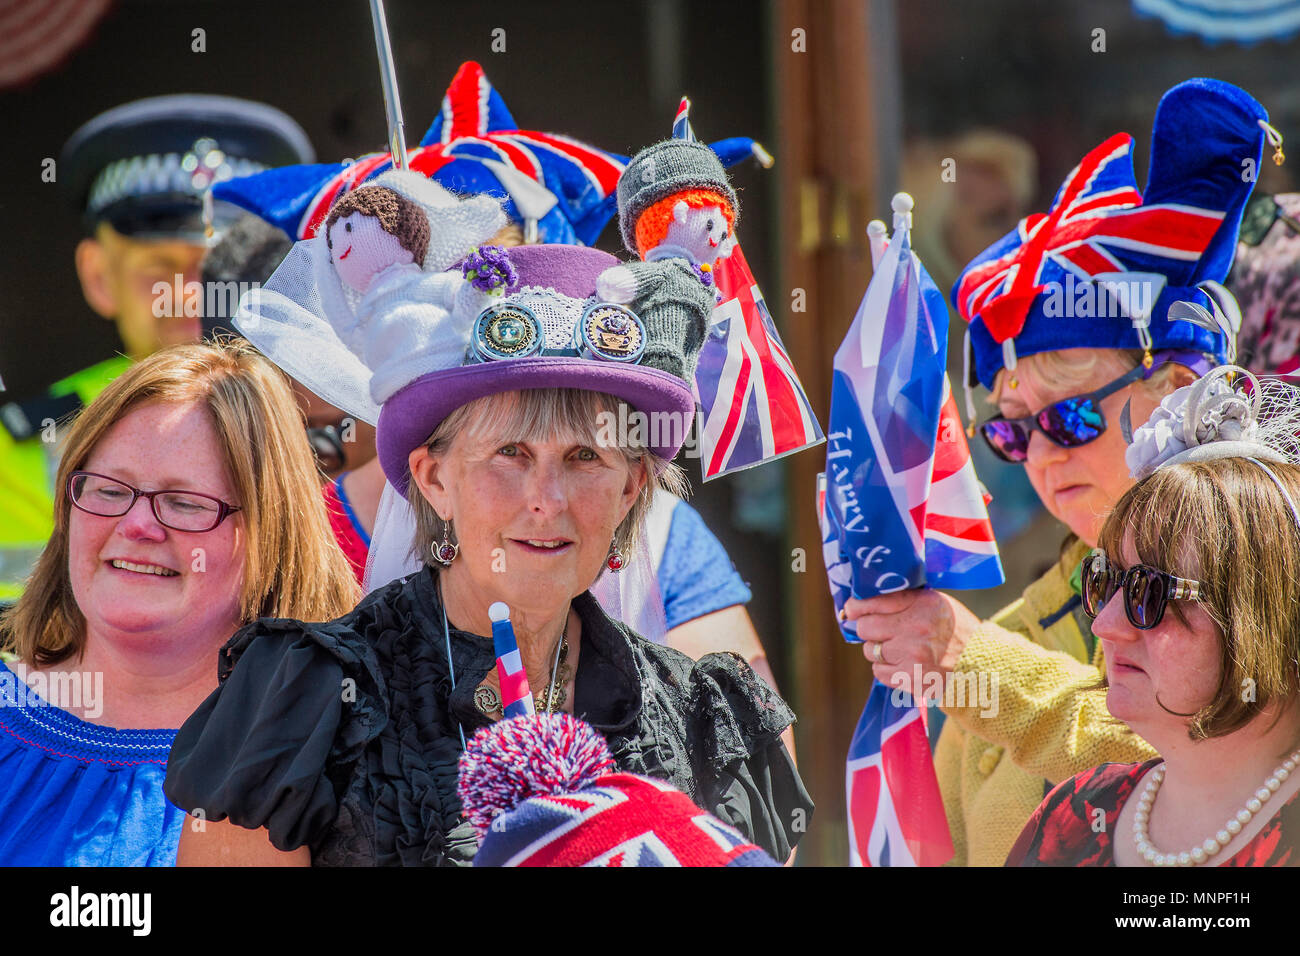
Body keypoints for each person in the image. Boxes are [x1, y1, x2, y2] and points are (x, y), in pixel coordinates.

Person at [164, 192, 811, 865]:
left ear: (631, 489)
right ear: (435, 479)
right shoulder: (309, 703)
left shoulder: (702, 716)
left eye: (585, 457)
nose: (546, 500)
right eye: (511, 454)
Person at [842, 78, 1270, 865]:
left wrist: (976, 669)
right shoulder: (1008, 635)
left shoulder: (1275, 576)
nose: (1041, 455)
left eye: (1070, 417)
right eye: (1010, 432)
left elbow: (1220, 763)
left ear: (1177, 391)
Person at [0, 340, 359, 865]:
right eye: (107, 489)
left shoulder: (334, 755)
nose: (136, 525)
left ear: (271, 535)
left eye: (185, 502)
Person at [0, 95, 313, 604]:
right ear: (99, 276)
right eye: (160, 266)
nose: (190, 292)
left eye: (222, 264)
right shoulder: (16, 454)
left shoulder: (348, 427)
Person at [1009, 367, 1300, 866]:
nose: (1105, 625)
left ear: (1263, 614)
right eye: (1104, 582)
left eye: (1150, 593)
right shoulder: (1072, 813)